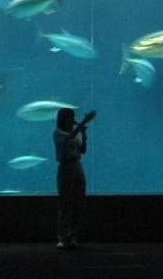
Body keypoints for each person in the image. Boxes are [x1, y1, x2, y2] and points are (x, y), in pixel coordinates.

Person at [53, 107, 96, 250]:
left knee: (78, 202)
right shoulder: (58, 133)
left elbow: (82, 151)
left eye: (73, 117)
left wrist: (84, 135)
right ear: (62, 119)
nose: (72, 120)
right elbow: (67, 138)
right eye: (69, 117)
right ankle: (62, 237)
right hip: (65, 167)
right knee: (65, 203)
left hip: (77, 166)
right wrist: (84, 121)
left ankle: (72, 237)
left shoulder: (74, 134)